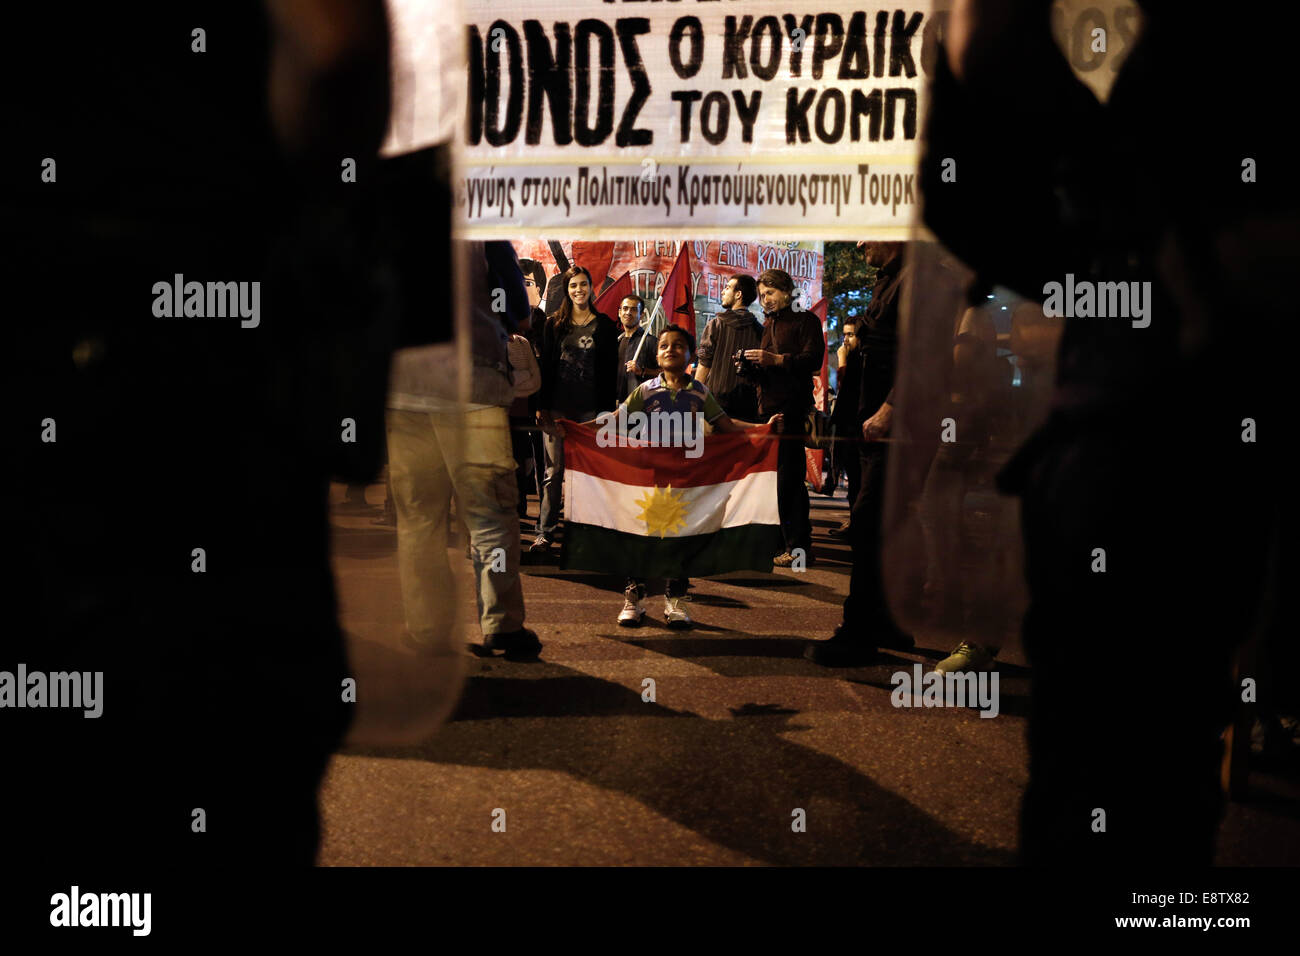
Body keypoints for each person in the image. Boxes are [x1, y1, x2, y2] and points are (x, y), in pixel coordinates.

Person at [922, 0, 1290, 864]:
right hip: (1122, 462)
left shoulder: (1227, 65)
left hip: (1166, 461)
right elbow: (1021, 214)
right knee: (1118, 776)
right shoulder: (1166, 87)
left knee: (1128, 780)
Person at [557, 325, 781, 627]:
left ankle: (675, 600)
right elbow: (615, 420)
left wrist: (762, 429)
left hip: (687, 479)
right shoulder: (645, 390)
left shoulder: (700, 393)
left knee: (682, 537)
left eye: (678, 345)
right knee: (641, 534)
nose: (670, 349)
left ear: (689, 354)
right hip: (650, 478)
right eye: (664, 345)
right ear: (657, 354)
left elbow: (727, 427)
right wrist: (578, 430)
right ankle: (634, 597)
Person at [386, 240, 542, 660]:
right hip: (473, 382)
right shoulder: (483, 230)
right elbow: (519, 315)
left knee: (419, 518)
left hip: (405, 388)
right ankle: (502, 626)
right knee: (489, 512)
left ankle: (427, 629)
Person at [805, 242, 915, 666]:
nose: (858, 242)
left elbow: (924, 355)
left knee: (869, 524)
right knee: (883, 525)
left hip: (895, 428)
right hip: (869, 424)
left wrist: (893, 408)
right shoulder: (888, 281)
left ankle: (859, 632)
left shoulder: (917, 280)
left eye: (867, 232)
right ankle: (888, 620)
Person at [533, 266, 619, 552]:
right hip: (557, 408)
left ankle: (584, 536)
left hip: (591, 412)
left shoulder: (606, 326)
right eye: (573, 286)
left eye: (583, 284)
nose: (578, 290)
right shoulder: (553, 325)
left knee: (586, 475)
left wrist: (606, 412)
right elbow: (544, 366)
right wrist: (541, 405)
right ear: (566, 290)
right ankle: (545, 533)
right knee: (553, 473)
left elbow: (610, 374)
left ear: (591, 287)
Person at [744, 269, 825, 567]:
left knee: (789, 480)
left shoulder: (806, 320)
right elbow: (768, 371)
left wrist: (775, 360)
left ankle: (800, 546)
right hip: (768, 411)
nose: (765, 300)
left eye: (770, 293)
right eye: (762, 295)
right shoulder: (770, 324)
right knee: (772, 481)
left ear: (787, 291)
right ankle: (779, 543)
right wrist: (750, 369)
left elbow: (813, 360)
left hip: (792, 410)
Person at [696, 274, 764, 421]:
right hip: (748, 407)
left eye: (727, 288)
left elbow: (704, 364)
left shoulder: (715, 324)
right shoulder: (760, 330)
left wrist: (694, 398)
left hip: (716, 405)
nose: (722, 292)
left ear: (738, 294)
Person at [826, 320, 863, 536]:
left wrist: (841, 360)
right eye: (845, 335)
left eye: (851, 335)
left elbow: (846, 386)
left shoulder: (861, 361)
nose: (846, 341)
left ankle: (858, 527)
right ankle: (854, 523)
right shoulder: (855, 359)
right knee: (853, 482)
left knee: (858, 481)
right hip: (847, 427)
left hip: (857, 428)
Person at [616, 293, 657, 402]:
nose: (628, 313)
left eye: (634, 309)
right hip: (613, 407)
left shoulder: (650, 342)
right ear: (620, 313)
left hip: (639, 407)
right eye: (625, 309)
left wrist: (643, 371)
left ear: (642, 315)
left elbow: (667, 373)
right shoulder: (616, 341)